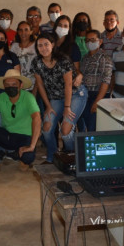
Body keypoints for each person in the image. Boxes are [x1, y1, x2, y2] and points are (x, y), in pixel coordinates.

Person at [31, 34, 87, 163]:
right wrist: (48, 106)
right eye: (40, 45)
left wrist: (67, 107)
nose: (43, 48)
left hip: (75, 95)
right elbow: (39, 85)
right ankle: (53, 155)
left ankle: (71, 156)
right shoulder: (36, 62)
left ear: (53, 45)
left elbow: (68, 85)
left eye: (46, 44)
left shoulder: (63, 60)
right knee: (46, 128)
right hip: (56, 98)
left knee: (66, 130)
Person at [0, 69, 41, 177]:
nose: (11, 87)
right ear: (4, 86)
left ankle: (22, 159)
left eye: (14, 84)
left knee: (28, 157)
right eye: (7, 84)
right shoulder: (0, 98)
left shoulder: (28, 97)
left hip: (25, 137)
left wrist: (32, 146)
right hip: (8, 135)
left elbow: (37, 118)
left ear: (21, 85)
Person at [79, 30, 113, 132]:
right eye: (87, 40)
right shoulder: (85, 58)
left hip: (98, 96)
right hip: (86, 95)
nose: (90, 42)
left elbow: (106, 81)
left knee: (93, 127)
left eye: (93, 40)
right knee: (87, 125)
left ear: (100, 41)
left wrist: (97, 102)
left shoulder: (105, 58)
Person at [10, 21, 37, 92]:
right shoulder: (14, 46)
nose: (23, 33)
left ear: (31, 31)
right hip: (17, 86)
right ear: (18, 32)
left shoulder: (36, 46)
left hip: (33, 86)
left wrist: (35, 90)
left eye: (26, 30)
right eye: (20, 30)